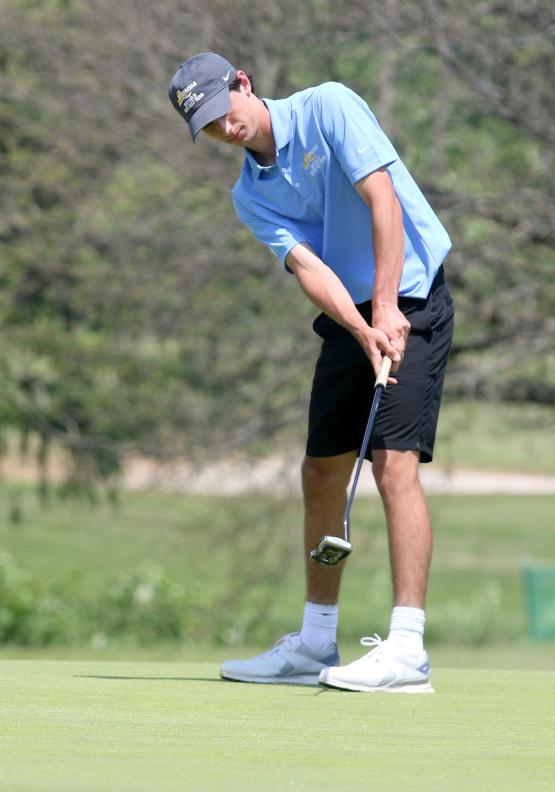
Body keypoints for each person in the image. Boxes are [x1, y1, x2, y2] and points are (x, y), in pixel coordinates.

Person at [168, 52, 454, 694]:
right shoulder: (250, 196)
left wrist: (386, 310)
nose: (223, 129)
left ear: (243, 83)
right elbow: (311, 271)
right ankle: (315, 643)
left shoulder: (329, 105)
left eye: (223, 110)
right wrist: (360, 330)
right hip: (350, 311)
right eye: (207, 127)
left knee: (392, 464)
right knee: (321, 468)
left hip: (410, 292)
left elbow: (383, 201)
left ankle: (408, 650)